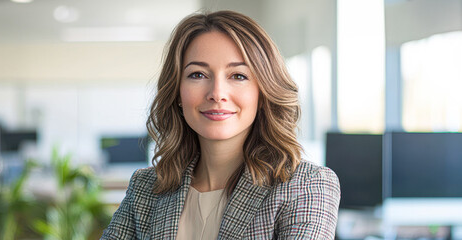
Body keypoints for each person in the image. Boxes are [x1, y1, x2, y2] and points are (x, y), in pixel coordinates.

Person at [101, 10, 340, 239]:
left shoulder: (306, 185)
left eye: (238, 76)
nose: (217, 93)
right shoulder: (146, 188)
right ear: (177, 93)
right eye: (197, 75)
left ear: (263, 92)